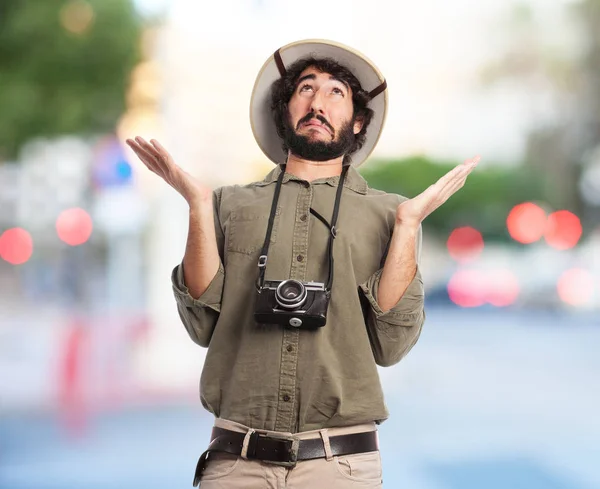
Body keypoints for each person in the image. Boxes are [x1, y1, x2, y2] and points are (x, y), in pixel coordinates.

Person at [126, 39, 479, 489]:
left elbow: (390, 346)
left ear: (358, 120)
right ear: (285, 110)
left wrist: (408, 224)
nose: (317, 102)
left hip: (342, 465)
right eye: (305, 89)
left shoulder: (390, 214)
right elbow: (200, 325)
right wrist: (197, 204)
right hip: (236, 461)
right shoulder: (228, 205)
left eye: (336, 93)